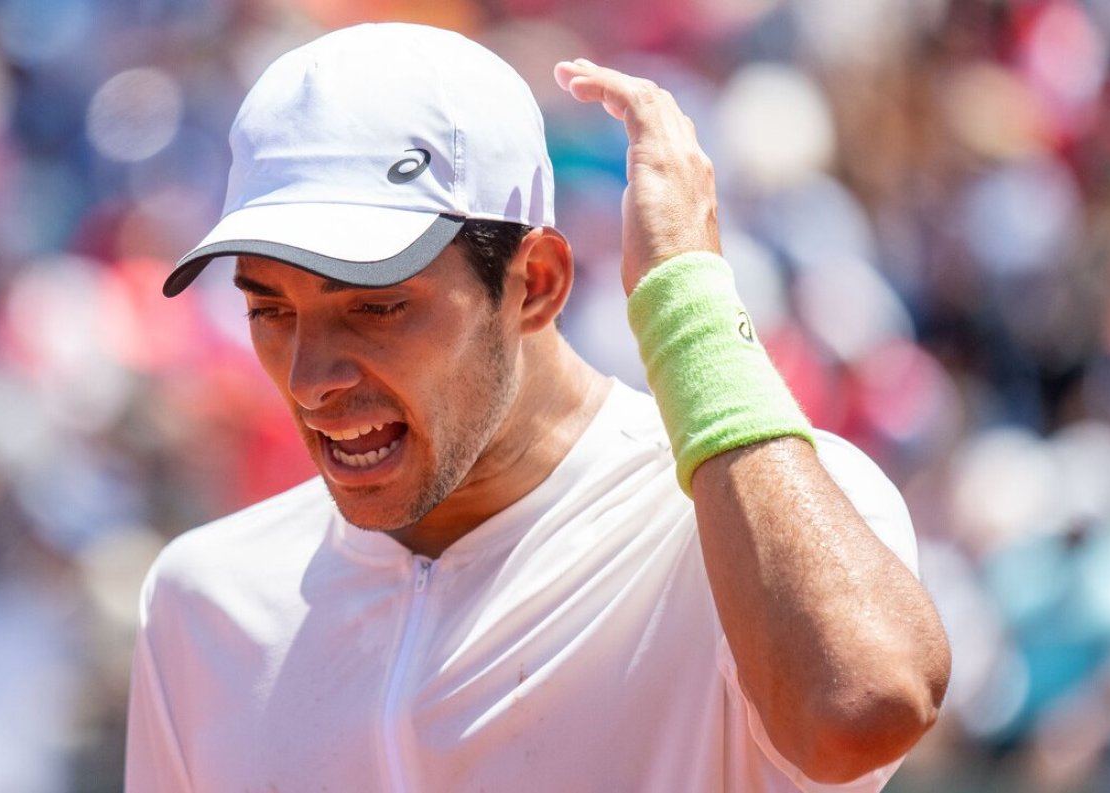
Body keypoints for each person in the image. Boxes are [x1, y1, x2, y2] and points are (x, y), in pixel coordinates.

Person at [126, 22, 950, 793]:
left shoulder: (760, 518)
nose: (310, 379)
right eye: (269, 308)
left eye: (374, 305)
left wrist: (689, 304)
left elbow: (860, 708)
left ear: (537, 284)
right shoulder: (204, 602)